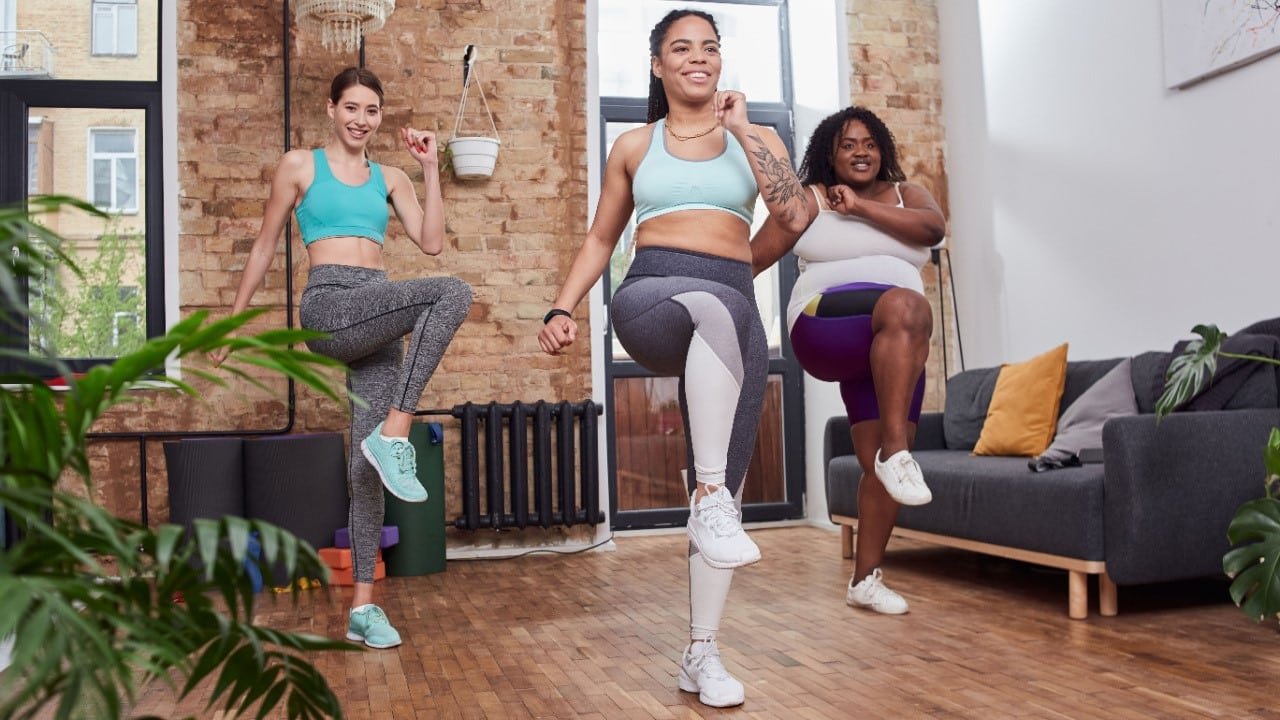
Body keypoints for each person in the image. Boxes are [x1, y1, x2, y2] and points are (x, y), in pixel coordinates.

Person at [537, 9, 808, 709]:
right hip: (652, 296)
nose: (698, 58)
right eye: (681, 48)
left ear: (721, 62)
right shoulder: (634, 143)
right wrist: (562, 306)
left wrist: (745, 131)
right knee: (715, 314)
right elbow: (602, 239)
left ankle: (702, 652)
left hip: (732, 310)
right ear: (657, 65)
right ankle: (710, 497)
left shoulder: (757, 140)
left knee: (731, 473)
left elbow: (796, 216)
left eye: (710, 48)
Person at [212, 67, 473, 648]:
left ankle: (362, 609)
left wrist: (431, 168)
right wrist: (233, 318)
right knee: (451, 292)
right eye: (352, 107)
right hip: (331, 307)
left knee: (365, 471)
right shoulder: (300, 165)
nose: (362, 119)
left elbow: (430, 241)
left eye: (372, 110)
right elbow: (262, 243)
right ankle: (397, 432)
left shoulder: (391, 176)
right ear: (331, 109)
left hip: (379, 312)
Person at [751, 106, 945, 615]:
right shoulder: (811, 199)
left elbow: (931, 229)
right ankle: (898, 452)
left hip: (894, 346)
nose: (860, 152)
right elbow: (754, 257)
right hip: (824, 324)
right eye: (847, 144)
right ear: (828, 155)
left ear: (882, 149)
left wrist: (859, 207)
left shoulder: (910, 196)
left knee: (874, 464)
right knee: (907, 304)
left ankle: (865, 580)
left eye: (868, 143)